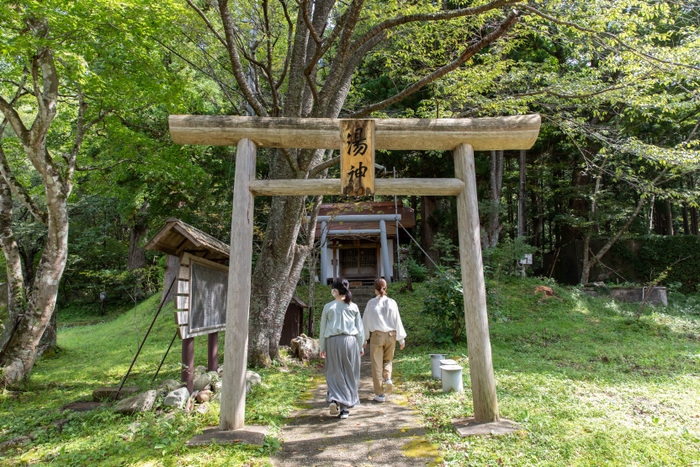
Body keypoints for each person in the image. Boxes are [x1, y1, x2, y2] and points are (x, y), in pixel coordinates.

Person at [319, 278, 365, 419]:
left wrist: (322, 346)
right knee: (349, 373)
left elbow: (323, 329)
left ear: (335, 290)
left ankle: (333, 398)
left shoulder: (328, 307)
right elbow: (360, 328)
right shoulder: (353, 307)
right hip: (351, 341)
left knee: (333, 371)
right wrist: (361, 344)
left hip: (332, 341)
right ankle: (345, 409)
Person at [362, 278, 406, 402]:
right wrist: (401, 339)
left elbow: (365, 321)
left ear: (375, 289)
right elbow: (398, 320)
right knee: (388, 360)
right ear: (385, 288)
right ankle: (388, 378)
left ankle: (380, 394)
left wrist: (364, 340)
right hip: (391, 335)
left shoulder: (371, 303)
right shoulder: (392, 302)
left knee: (376, 365)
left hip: (377, 336)